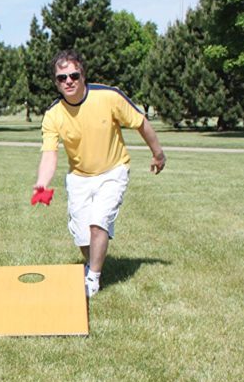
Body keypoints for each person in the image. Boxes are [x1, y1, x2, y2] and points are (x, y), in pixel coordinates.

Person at [33, 49, 166, 297]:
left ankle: (93, 278)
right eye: (62, 78)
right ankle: (93, 259)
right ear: (56, 82)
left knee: (98, 223)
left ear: (83, 75)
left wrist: (158, 153)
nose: (69, 81)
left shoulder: (108, 96)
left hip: (113, 171)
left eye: (74, 75)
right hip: (79, 177)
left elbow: (140, 122)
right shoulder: (53, 114)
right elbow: (50, 153)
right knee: (83, 235)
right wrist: (42, 183)